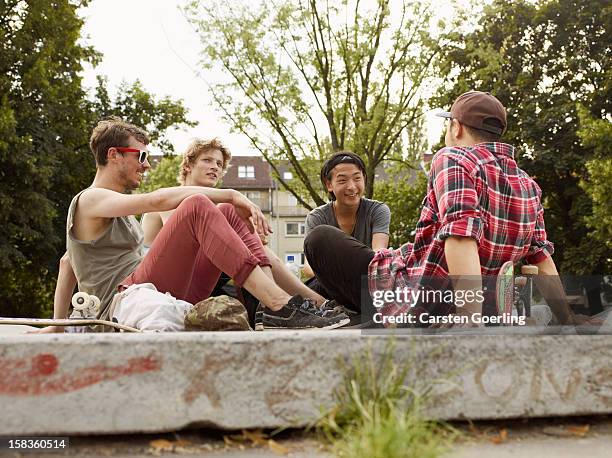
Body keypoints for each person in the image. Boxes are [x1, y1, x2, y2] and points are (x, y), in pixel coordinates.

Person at [305, 91, 590, 327]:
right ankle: (356, 315)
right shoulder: (527, 183)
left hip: (422, 297)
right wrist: (566, 317)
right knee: (321, 286)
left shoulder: (453, 159)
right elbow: (541, 257)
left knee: (320, 239)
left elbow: (461, 235)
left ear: (456, 127)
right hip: (480, 299)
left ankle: (380, 317)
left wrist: (469, 318)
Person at [36, 117, 348, 333]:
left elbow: (68, 261)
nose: (145, 164)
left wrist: (56, 322)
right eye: (140, 155)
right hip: (124, 298)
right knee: (198, 205)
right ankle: (280, 305)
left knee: (224, 210)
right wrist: (230, 192)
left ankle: (278, 309)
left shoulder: (114, 210)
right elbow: (158, 201)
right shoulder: (89, 200)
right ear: (114, 155)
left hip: (159, 288)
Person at [141, 138, 329, 326]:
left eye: (219, 164)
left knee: (230, 211)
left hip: (194, 289)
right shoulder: (169, 199)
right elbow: (183, 247)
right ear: (188, 166)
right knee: (226, 210)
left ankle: (310, 304)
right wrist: (236, 240)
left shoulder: (216, 210)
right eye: (207, 160)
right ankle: (280, 305)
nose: (215, 167)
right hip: (159, 289)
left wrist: (248, 240)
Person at [302, 151, 391, 312]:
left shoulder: (378, 210)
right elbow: (309, 268)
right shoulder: (316, 217)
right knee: (306, 290)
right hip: (331, 282)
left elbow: (378, 254)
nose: (352, 186)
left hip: (366, 279)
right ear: (329, 185)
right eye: (342, 180)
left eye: (357, 178)